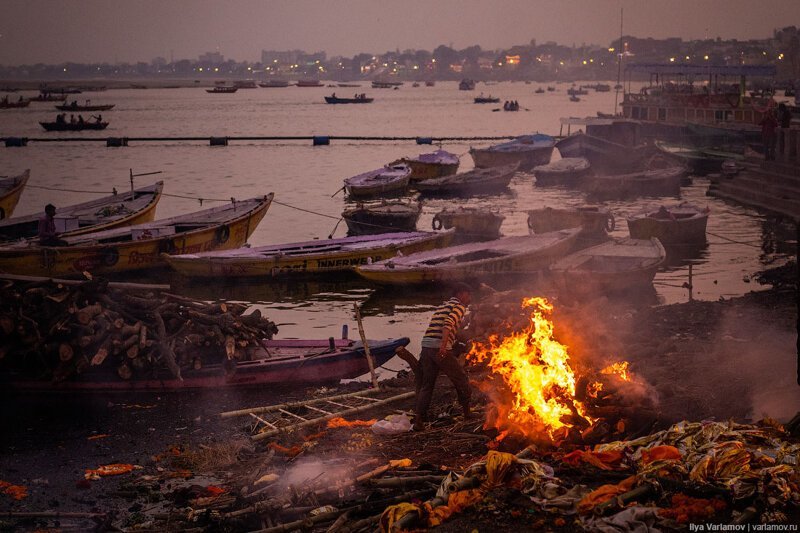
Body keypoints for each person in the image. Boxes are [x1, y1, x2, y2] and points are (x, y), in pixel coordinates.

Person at [413, 283, 473, 431]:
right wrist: (443, 347)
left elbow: (446, 324)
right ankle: (467, 414)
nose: (469, 298)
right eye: (468, 295)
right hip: (438, 348)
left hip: (426, 346)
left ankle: (418, 421)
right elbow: (447, 325)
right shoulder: (459, 307)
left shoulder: (443, 306)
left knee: (427, 384)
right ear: (461, 294)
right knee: (461, 379)